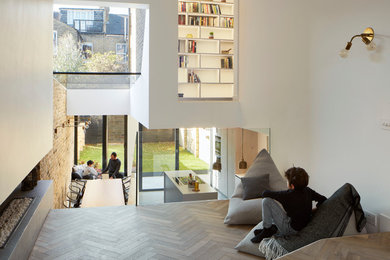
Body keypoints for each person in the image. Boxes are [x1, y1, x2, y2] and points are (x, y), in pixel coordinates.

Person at [251, 167, 327, 243]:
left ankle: (266, 230)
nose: (286, 182)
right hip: (302, 225)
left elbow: (265, 193)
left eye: (287, 180)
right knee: (282, 214)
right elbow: (323, 199)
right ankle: (273, 228)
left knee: (266, 201)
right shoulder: (308, 191)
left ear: (292, 185)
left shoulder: (287, 195)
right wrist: (312, 210)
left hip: (290, 230)